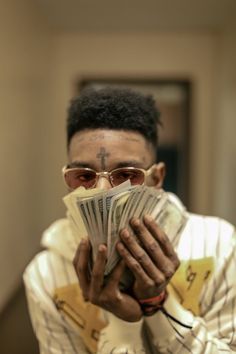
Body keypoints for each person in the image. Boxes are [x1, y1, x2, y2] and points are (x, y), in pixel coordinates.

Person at [23, 87, 236, 354]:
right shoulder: (45, 275)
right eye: (84, 176)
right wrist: (123, 327)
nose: (102, 193)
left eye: (125, 174)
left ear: (156, 179)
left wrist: (159, 304)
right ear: (68, 180)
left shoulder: (220, 245)